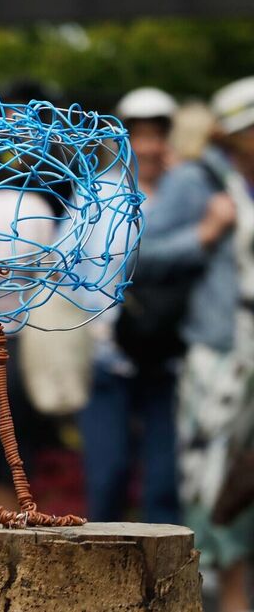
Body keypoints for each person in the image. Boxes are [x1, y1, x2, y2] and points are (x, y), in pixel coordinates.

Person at [74, 87, 231, 524]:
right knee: (108, 474)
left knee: (165, 480)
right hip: (108, 356)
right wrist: (97, 324)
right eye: (136, 134)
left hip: (170, 354)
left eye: (157, 133)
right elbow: (73, 267)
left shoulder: (189, 187)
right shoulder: (96, 196)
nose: (147, 145)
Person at [177, 77, 254, 612]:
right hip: (219, 355)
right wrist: (203, 234)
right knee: (211, 478)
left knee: (243, 482)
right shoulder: (198, 181)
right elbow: (141, 255)